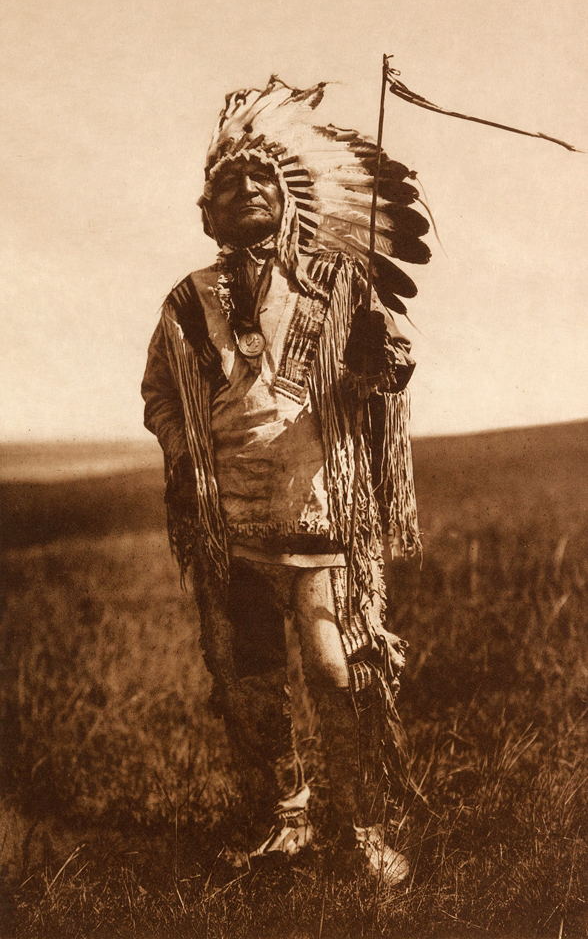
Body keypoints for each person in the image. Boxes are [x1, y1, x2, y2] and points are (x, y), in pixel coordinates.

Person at [141, 76, 430, 884]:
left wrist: (381, 361)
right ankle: (285, 819)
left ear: (288, 196)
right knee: (247, 676)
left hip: (318, 513)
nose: (244, 191)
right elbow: (160, 393)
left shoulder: (340, 284)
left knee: (337, 672)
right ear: (207, 213)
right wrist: (187, 450)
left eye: (259, 178)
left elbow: (387, 371)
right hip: (227, 521)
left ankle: (366, 825)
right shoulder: (186, 300)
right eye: (227, 185)